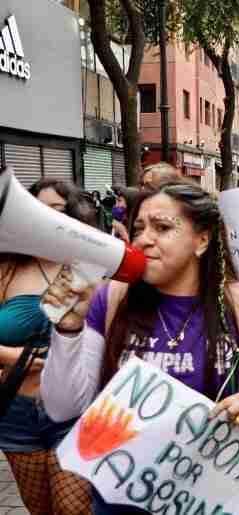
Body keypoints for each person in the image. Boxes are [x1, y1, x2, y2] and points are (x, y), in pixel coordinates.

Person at [40, 180, 239, 515]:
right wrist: (68, 328)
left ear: (202, 240)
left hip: (214, 500)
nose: (143, 239)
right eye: (138, 228)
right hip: (120, 504)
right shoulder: (110, 299)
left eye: (162, 228)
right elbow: (62, 409)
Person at [0, 179, 94, 515]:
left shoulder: (94, 266)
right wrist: (11, 356)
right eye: (36, 210)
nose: (45, 219)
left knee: (72, 510)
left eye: (57, 210)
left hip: (75, 415)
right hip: (17, 414)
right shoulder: (6, 269)